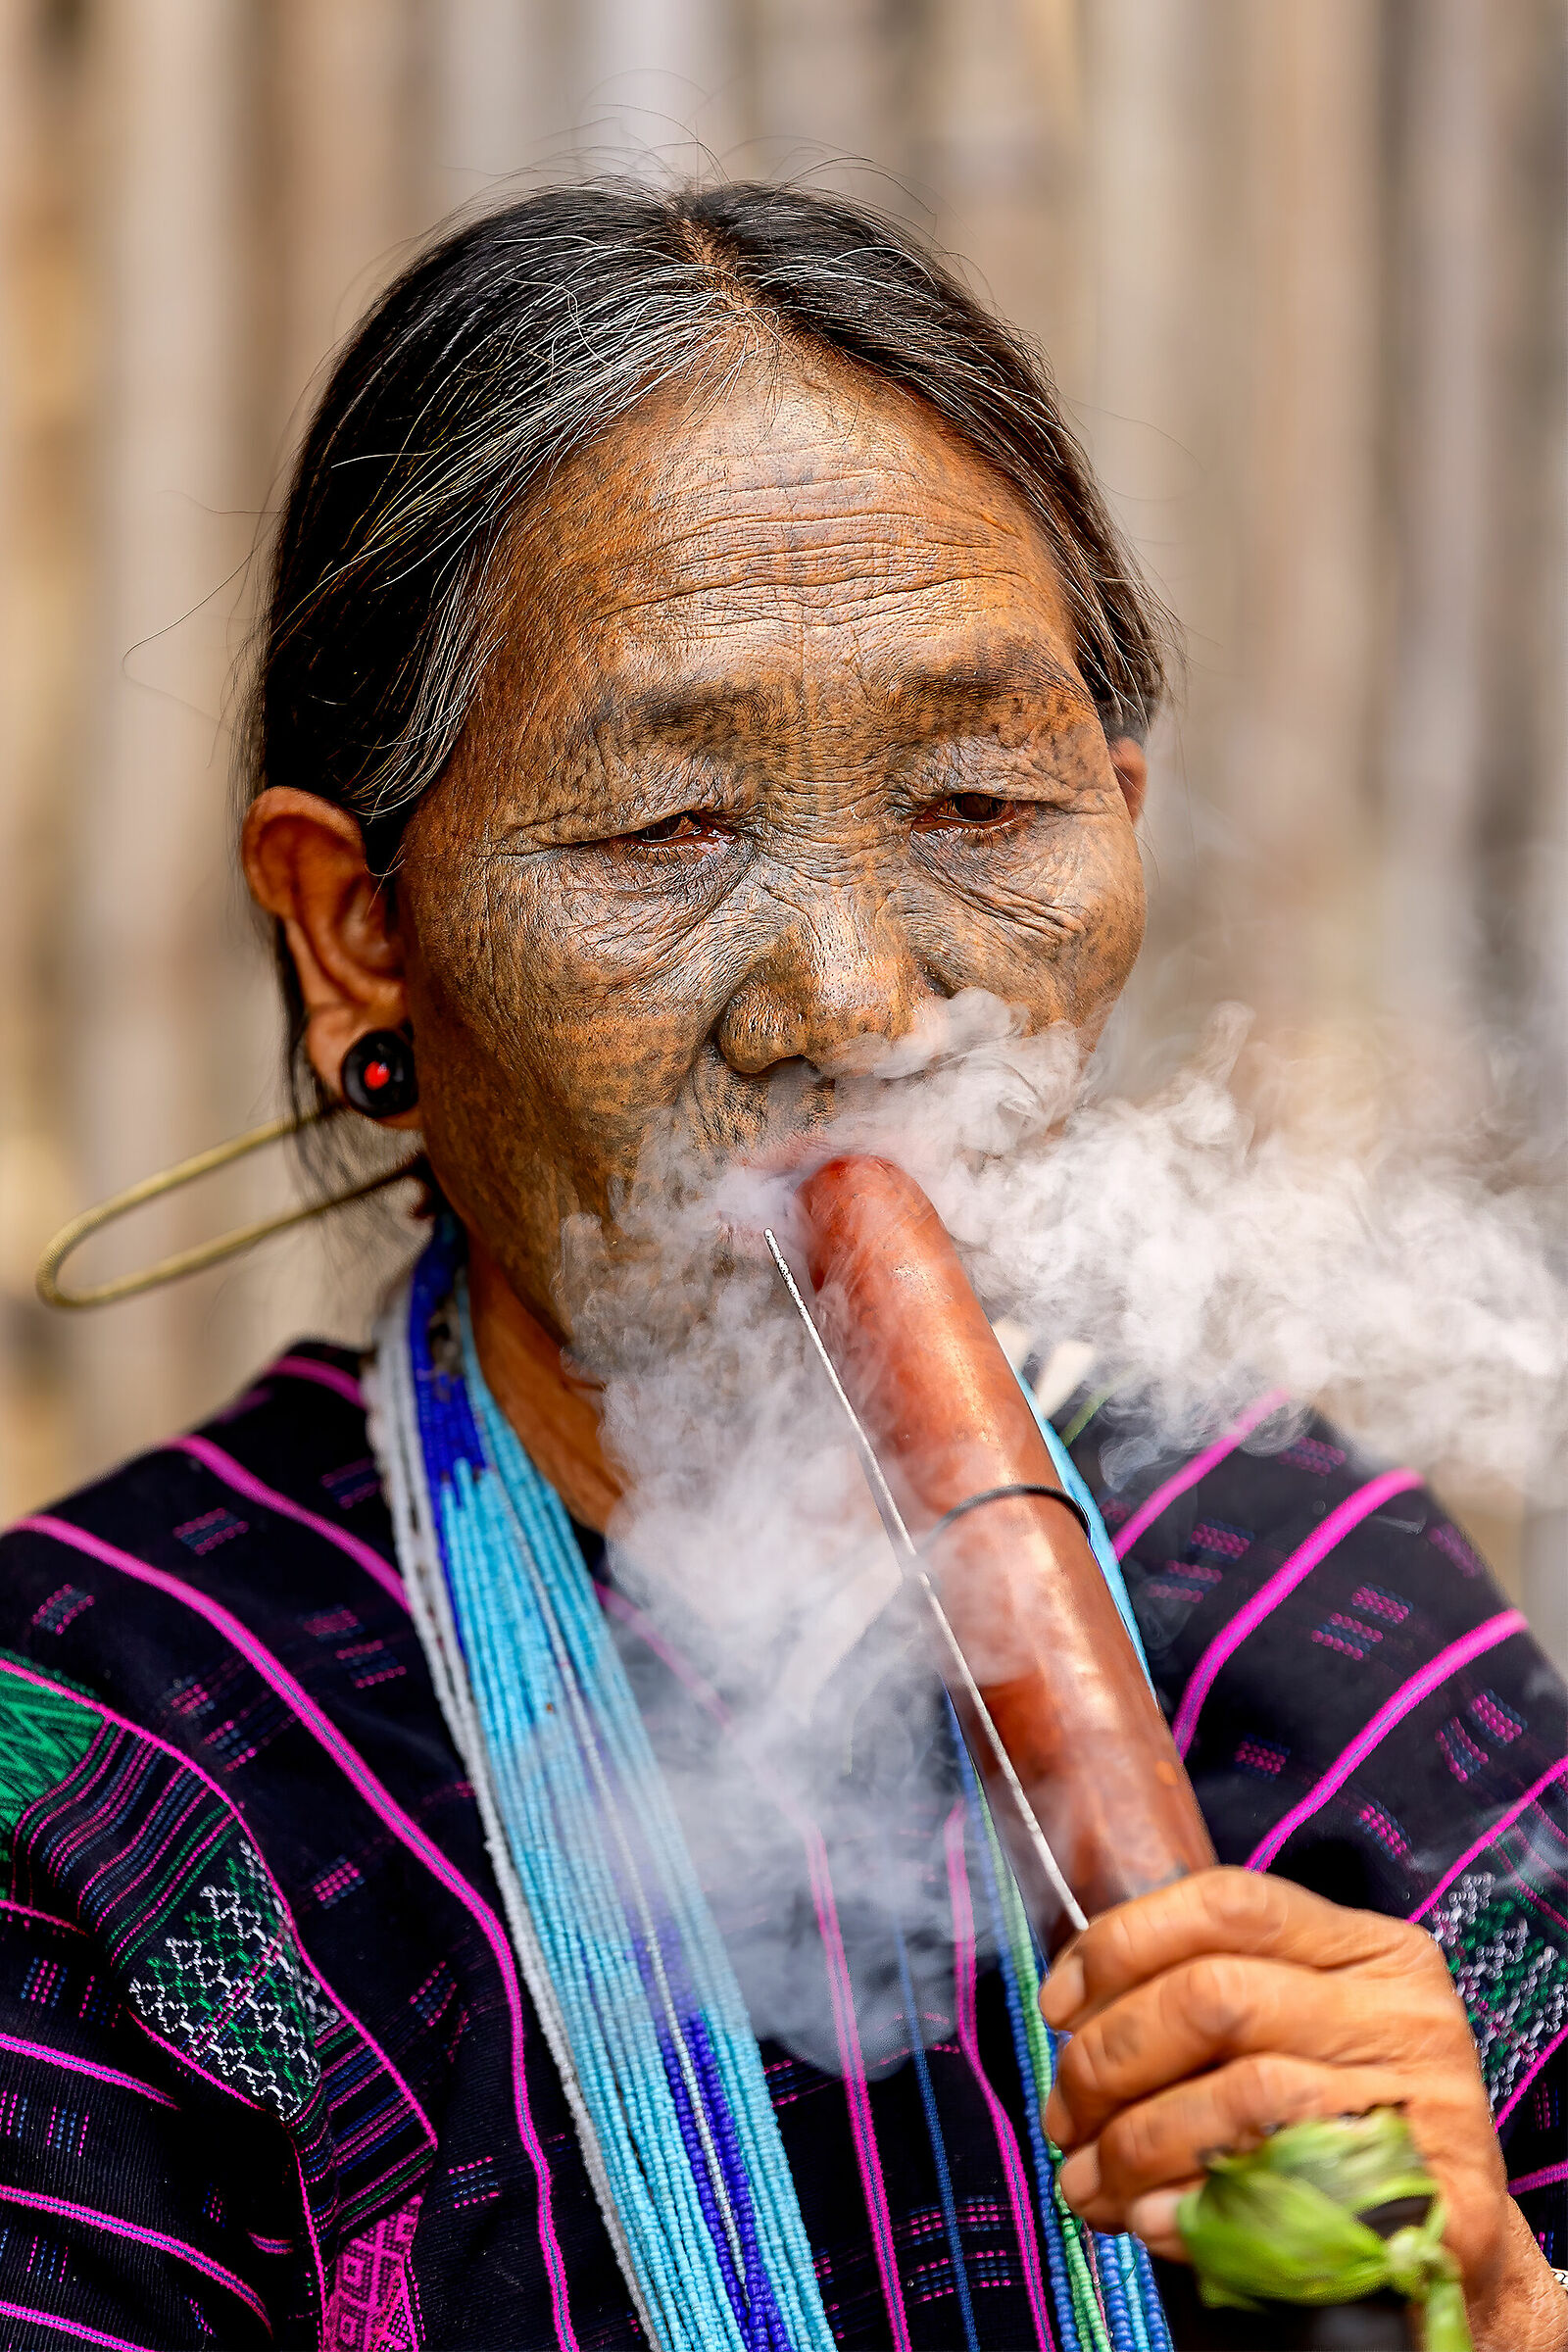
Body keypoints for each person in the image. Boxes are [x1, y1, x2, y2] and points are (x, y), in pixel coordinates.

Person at [2, 182, 1564, 2352]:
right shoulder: (107, 1762)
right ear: (360, 922)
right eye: (666, 835)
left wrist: (1500, 2314)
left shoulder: (1329, 1632)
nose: (851, 1004)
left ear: (1113, 808)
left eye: (976, 807)